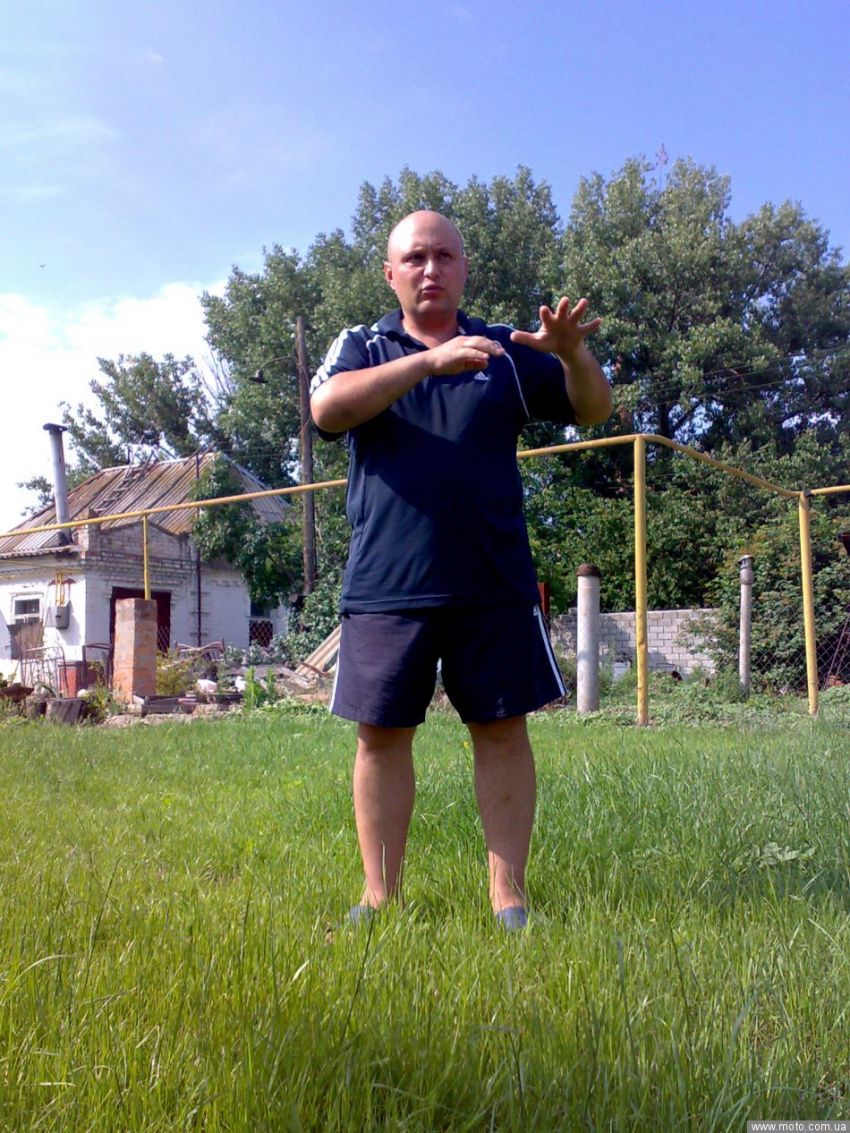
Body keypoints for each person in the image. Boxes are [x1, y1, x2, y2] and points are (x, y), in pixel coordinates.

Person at [310, 210, 611, 929]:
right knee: (381, 736)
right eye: (415, 257)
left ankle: (509, 899)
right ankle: (379, 897)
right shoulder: (361, 345)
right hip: (387, 584)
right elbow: (327, 410)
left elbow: (595, 409)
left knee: (503, 731)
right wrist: (427, 363)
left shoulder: (504, 349)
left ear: (464, 268)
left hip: (493, 582)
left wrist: (572, 355)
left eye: (444, 255)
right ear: (391, 273)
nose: (431, 269)